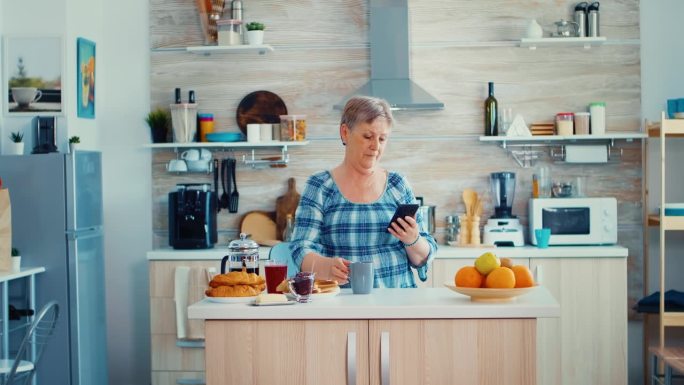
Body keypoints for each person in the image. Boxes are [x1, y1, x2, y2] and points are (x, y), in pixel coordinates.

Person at [289, 96, 437, 288]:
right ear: (345, 133)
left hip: (397, 301)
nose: (376, 146)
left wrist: (413, 240)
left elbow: (423, 257)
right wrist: (325, 267)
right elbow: (301, 247)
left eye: (382, 139)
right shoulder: (320, 186)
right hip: (341, 303)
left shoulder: (397, 185)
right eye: (368, 136)